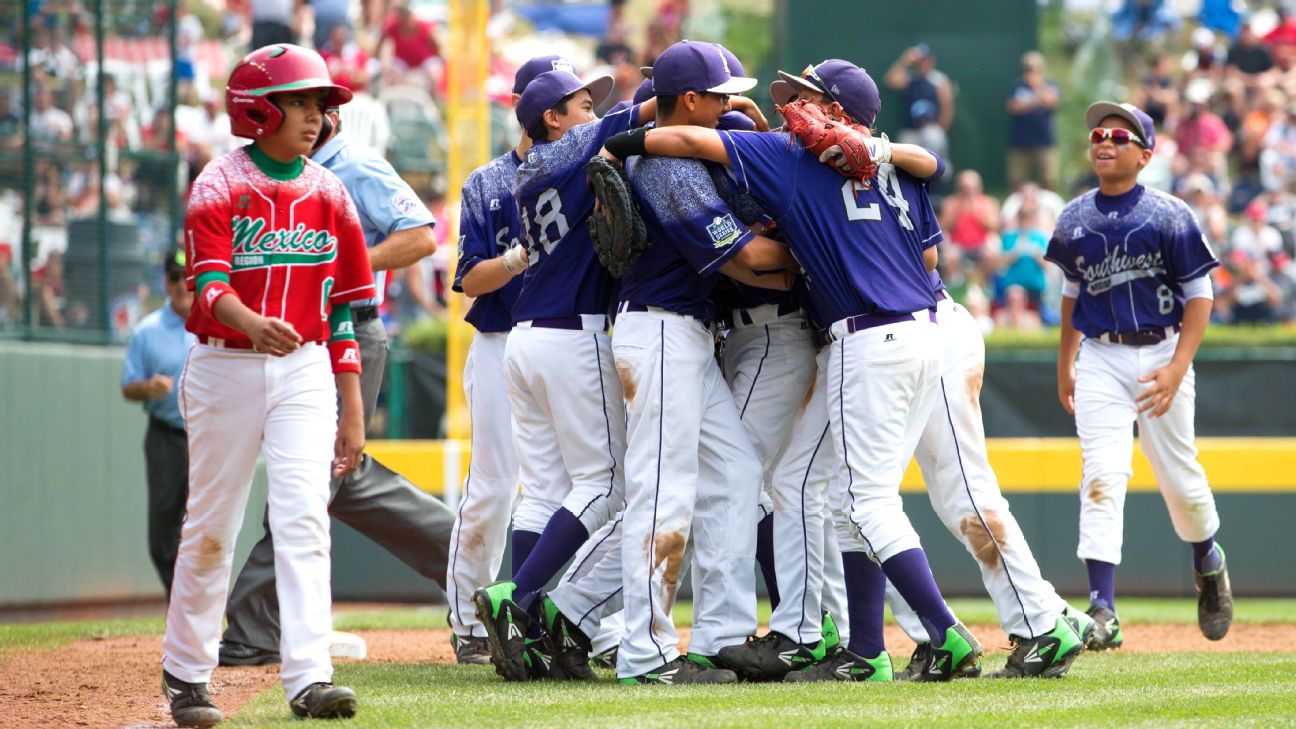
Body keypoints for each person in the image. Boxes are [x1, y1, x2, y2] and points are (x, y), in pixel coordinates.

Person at [601, 59, 985, 683]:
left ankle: (935, 633)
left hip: (861, 339)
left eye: (805, 99)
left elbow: (692, 141)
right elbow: (931, 232)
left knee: (854, 499)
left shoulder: (789, 156)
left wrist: (619, 142)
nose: (790, 108)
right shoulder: (891, 164)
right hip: (921, 333)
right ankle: (857, 646)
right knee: (813, 489)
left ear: (836, 114)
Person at [160, 44, 374, 726]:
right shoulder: (218, 185)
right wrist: (252, 323)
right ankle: (189, 675)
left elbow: (340, 309)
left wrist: (352, 406)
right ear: (259, 108)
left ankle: (311, 676)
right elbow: (211, 285)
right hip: (226, 362)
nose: (314, 116)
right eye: (301, 102)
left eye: (319, 105)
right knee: (215, 522)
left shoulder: (331, 193)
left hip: (306, 366)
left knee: (304, 516)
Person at [218, 89, 455, 668]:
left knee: (318, 474)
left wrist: (347, 262)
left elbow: (422, 234)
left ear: (333, 117)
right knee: (339, 474)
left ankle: (252, 625)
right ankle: (471, 556)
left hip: (351, 329)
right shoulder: (275, 168)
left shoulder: (357, 164)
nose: (301, 114)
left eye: (311, 105)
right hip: (294, 336)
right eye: (292, 103)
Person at [1046, 101, 1233, 651]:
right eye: (1098, 134)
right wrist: (1066, 365)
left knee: (1179, 475)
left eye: (1119, 136)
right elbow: (1070, 297)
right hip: (1101, 356)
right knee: (1102, 474)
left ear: (1145, 154)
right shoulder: (1074, 216)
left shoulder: (1171, 214)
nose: (1104, 141)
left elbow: (1201, 297)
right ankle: (1102, 608)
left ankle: (1208, 559)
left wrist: (1178, 367)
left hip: (1162, 351)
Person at [445, 54, 574, 665]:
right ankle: (471, 623)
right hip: (502, 339)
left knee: (576, 487)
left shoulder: (590, 173)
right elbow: (470, 280)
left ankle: (555, 616)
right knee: (495, 487)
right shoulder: (488, 182)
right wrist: (526, 255)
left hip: (573, 341)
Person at [121, 249, 196, 595]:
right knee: (163, 529)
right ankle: (179, 599)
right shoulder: (147, 331)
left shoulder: (217, 321)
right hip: (165, 435)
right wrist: (147, 387)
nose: (182, 283)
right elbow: (128, 387)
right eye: (175, 276)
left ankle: (201, 606)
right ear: (166, 282)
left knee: (202, 524)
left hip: (206, 437)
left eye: (187, 274)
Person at [1004, 51, 1060, 191]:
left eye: (1035, 68)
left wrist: (1036, 89)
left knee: (1048, 179)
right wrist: (1037, 99)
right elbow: (1013, 107)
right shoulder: (1017, 86)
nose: (1032, 71)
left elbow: (1052, 102)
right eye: (1028, 68)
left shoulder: (1050, 84)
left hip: (1044, 140)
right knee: (1016, 179)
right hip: (1020, 141)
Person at [884, 44, 954, 143]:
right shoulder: (910, 78)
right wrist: (905, 60)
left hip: (931, 130)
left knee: (934, 153)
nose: (923, 64)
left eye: (926, 61)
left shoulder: (939, 80)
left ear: (931, 61)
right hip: (909, 130)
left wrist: (941, 130)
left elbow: (947, 107)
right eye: (920, 61)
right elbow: (890, 80)